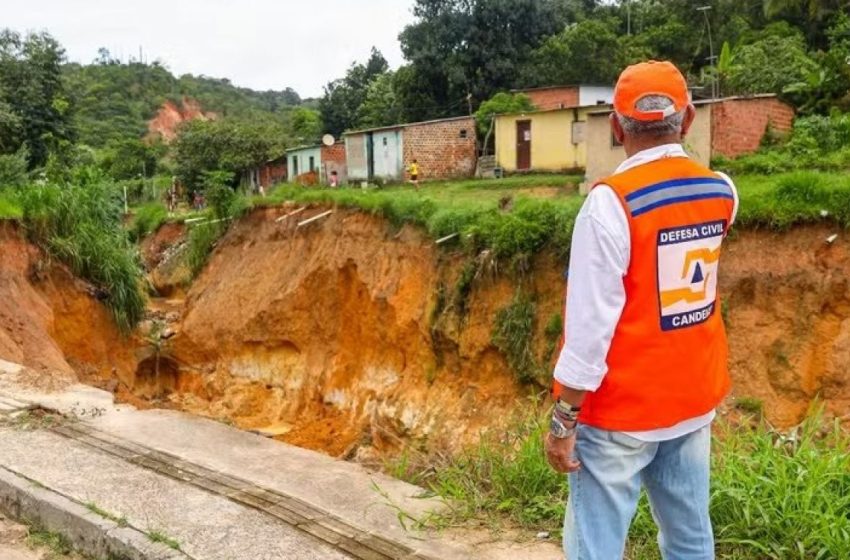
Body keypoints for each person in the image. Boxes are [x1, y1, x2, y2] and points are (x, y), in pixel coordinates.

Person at [545, 60, 738, 560]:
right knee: (690, 536)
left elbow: (589, 333)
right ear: (688, 119)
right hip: (692, 401)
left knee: (596, 546)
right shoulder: (722, 191)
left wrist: (565, 417)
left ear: (614, 124)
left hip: (622, 414)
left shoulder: (609, 206)